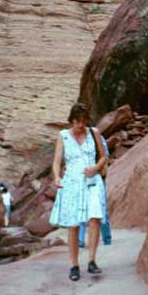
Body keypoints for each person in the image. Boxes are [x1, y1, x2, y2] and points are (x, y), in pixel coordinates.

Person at [49, 102, 107, 281]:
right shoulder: (63, 136)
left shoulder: (94, 133)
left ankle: (92, 260)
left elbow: (104, 156)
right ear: (71, 121)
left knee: (95, 218)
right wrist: (57, 177)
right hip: (72, 183)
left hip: (92, 181)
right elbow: (57, 161)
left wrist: (96, 167)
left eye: (83, 121)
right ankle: (74, 265)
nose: (80, 125)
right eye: (77, 122)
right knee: (73, 224)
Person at [79, 131, 112, 247]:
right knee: (85, 206)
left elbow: (105, 157)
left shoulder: (98, 137)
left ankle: (105, 238)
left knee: (98, 206)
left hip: (96, 176)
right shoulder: (79, 138)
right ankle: (105, 238)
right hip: (85, 176)